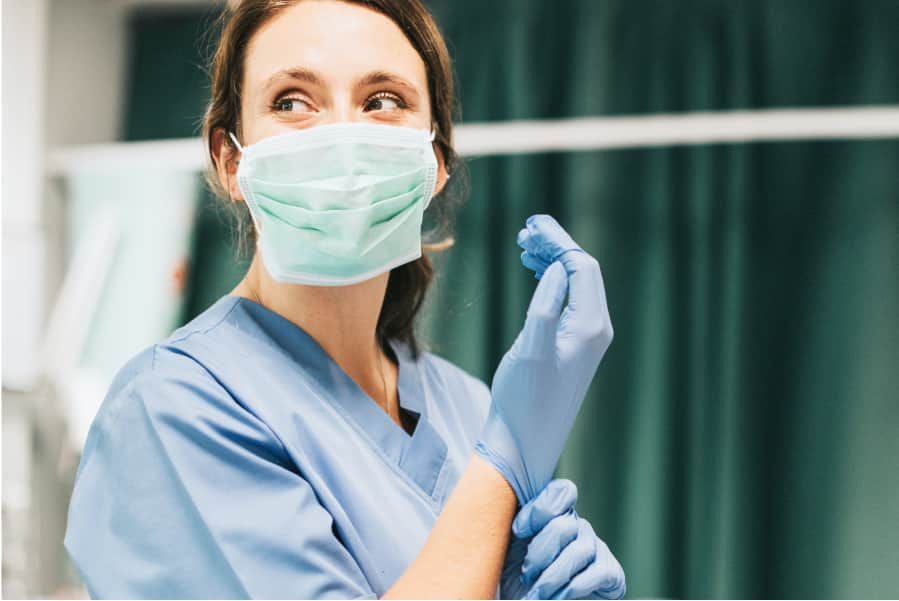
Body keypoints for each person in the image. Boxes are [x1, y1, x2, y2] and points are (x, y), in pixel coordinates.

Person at [63, 1, 625, 598]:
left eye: (383, 101)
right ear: (231, 161)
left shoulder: (466, 406)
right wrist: (504, 461)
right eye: (292, 101)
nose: (342, 136)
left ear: (432, 164)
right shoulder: (172, 408)